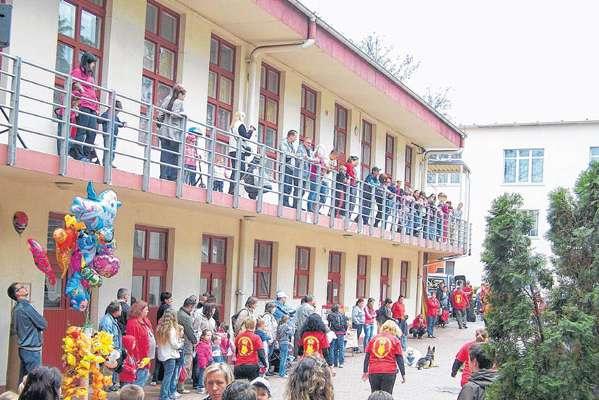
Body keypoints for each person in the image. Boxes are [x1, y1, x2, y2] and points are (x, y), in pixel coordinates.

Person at [7, 282, 47, 380]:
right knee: (35, 381)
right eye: (21, 287)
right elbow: (43, 324)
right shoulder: (26, 307)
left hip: (24, 349)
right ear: (17, 293)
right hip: (31, 350)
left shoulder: (16, 308)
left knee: (25, 380)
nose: (24, 288)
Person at [362, 320, 406, 395]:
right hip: (389, 371)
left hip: (374, 371)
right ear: (394, 330)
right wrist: (403, 374)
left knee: (375, 395)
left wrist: (365, 371)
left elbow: (367, 356)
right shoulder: (395, 340)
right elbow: (399, 358)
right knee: (387, 395)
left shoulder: (373, 339)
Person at [70, 52, 99, 162]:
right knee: (81, 131)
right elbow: (73, 84)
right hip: (83, 105)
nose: (93, 66)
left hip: (92, 106)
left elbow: (92, 91)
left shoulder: (90, 77)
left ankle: (86, 155)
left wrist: (96, 106)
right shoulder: (77, 72)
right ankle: (78, 154)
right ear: (87, 62)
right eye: (92, 63)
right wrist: (81, 90)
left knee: (92, 132)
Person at [157, 84, 186, 181]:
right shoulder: (179, 102)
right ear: (180, 94)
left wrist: (161, 125)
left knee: (164, 154)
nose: (184, 98)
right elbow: (175, 115)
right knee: (174, 156)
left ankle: (163, 175)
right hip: (174, 134)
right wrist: (183, 114)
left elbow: (160, 115)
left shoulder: (167, 99)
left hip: (164, 132)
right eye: (184, 95)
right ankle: (172, 177)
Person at [126, 300, 154, 387]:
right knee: (138, 383)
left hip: (146, 357)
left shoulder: (145, 321)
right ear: (140, 311)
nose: (148, 311)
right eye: (146, 310)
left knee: (143, 379)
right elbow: (132, 343)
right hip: (140, 358)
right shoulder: (133, 323)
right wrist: (137, 359)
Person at [155, 310, 182, 400]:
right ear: (174, 317)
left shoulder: (159, 328)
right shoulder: (172, 329)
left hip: (162, 355)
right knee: (168, 377)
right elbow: (174, 344)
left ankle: (168, 394)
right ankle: (164, 396)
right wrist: (180, 344)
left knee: (166, 376)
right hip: (171, 355)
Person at [228, 111, 256, 195]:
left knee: (235, 170)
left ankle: (231, 189)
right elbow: (246, 136)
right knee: (241, 170)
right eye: (243, 116)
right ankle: (233, 189)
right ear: (241, 117)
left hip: (232, 150)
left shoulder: (232, 126)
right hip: (239, 150)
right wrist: (251, 130)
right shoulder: (240, 124)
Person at [100, 300, 123, 390]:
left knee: (110, 371)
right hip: (109, 351)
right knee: (107, 372)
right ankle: (105, 389)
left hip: (114, 351)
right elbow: (106, 338)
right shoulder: (107, 321)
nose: (121, 312)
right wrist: (109, 353)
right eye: (120, 310)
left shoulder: (112, 319)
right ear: (115, 311)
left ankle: (109, 386)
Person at [177, 296, 198, 393]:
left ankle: (178, 386)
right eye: (193, 307)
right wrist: (195, 341)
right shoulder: (186, 317)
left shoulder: (178, 313)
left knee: (180, 366)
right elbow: (190, 332)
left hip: (180, 343)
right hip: (186, 344)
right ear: (190, 306)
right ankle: (180, 387)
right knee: (186, 366)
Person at [99, 100, 126, 167]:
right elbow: (99, 120)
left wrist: (123, 124)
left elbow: (119, 123)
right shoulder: (106, 114)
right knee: (108, 148)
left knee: (113, 149)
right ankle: (106, 162)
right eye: (117, 111)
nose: (117, 113)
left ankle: (110, 162)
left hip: (114, 135)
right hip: (107, 135)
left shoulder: (116, 117)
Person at [279, 130, 301, 208]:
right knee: (285, 185)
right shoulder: (284, 142)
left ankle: (286, 202)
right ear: (290, 136)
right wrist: (295, 155)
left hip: (291, 167)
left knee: (289, 187)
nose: (296, 139)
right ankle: (283, 202)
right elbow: (285, 153)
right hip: (285, 166)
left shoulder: (291, 145)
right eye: (295, 137)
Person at [327, 304, 348, 368]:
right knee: (341, 348)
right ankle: (341, 363)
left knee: (333, 348)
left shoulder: (330, 315)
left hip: (333, 333)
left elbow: (328, 325)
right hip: (341, 333)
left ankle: (333, 363)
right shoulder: (342, 315)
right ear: (338, 309)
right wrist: (345, 331)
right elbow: (345, 324)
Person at [196, 329, 213, 394]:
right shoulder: (201, 344)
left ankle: (205, 386)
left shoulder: (208, 343)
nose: (209, 337)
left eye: (210, 335)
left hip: (208, 362)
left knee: (206, 375)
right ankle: (200, 387)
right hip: (204, 363)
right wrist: (203, 364)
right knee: (202, 374)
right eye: (208, 335)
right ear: (203, 336)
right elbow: (201, 355)